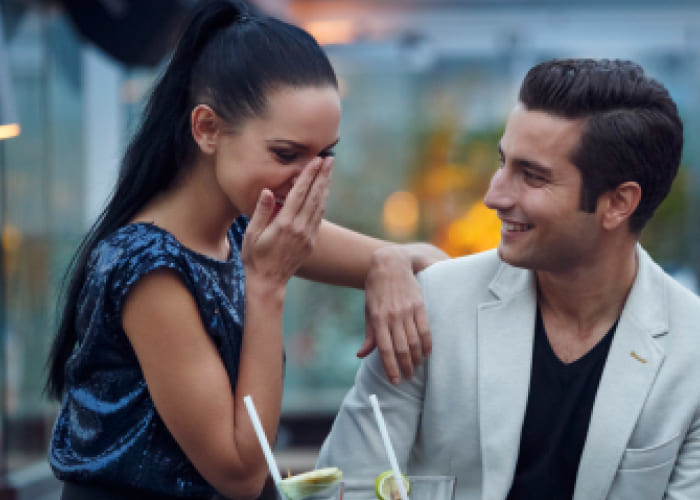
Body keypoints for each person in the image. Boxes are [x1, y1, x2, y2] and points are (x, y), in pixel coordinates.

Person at [45, 2, 448, 499]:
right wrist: (267, 285)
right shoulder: (149, 269)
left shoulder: (243, 227)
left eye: (325, 155)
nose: (309, 180)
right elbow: (239, 473)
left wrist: (387, 262)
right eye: (286, 154)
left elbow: (429, 259)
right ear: (207, 129)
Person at [317, 58, 700, 500]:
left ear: (618, 203)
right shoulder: (431, 305)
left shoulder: (691, 353)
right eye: (504, 163)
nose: (494, 196)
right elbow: (344, 487)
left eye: (532, 176)